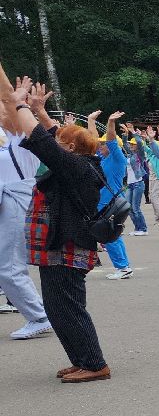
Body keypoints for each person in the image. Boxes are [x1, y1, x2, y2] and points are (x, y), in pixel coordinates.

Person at [1, 68, 110, 380]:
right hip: (59, 244)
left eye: (62, 142)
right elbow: (52, 135)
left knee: (68, 307)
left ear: (71, 149)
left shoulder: (76, 167)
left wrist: (19, 104)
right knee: (58, 306)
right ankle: (81, 359)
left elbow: (41, 140)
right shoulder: (79, 162)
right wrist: (38, 111)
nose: (56, 142)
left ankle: (94, 364)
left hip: (68, 244)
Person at [0, 98, 51, 340]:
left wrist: (13, 95)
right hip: (7, 202)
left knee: (9, 268)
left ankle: (38, 316)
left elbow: (11, 107)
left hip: (16, 202)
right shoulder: (7, 138)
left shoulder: (21, 138)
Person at [94, 112, 135, 280]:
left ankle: (123, 267)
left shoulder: (117, 158)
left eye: (103, 144)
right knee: (111, 236)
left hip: (109, 203)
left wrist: (110, 122)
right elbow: (92, 141)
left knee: (109, 235)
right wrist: (90, 121)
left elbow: (111, 140)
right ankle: (123, 265)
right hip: (103, 203)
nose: (101, 145)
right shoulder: (102, 159)